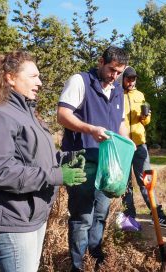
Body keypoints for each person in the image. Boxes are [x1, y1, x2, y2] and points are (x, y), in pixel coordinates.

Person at [0, 51, 87, 272]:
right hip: (12, 219)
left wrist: (68, 158)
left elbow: (36, 156)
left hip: (30, 215)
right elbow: (2, 172)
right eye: (33, 76)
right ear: (10, 77)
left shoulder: (26, 113)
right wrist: (57, 176)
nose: (40, 82)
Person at [57, 46, 129, 271]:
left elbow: (121, 123)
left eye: (119, 72)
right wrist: (90, 129)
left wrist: (127, 145)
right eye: (111, 70)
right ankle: (78, 266)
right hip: (80, 159)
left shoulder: (118, 91)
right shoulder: (80, 81)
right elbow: (62, 115)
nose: (114, 76)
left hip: (106, 162)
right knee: (82, 217)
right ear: (100, 62)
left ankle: (95, 259)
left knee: (100, 214)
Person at [119, 66, 166, 230]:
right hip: (122, 146)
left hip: (139, 145)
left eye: (133, 78)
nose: (131, 81)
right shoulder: (115, 95)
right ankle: (129, 219)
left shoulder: (140, 95)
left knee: (146, 181)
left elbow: (146, 120)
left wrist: (145, 117)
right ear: (122, 78)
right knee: (125, 184)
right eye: (128, 78)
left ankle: (158, 215)